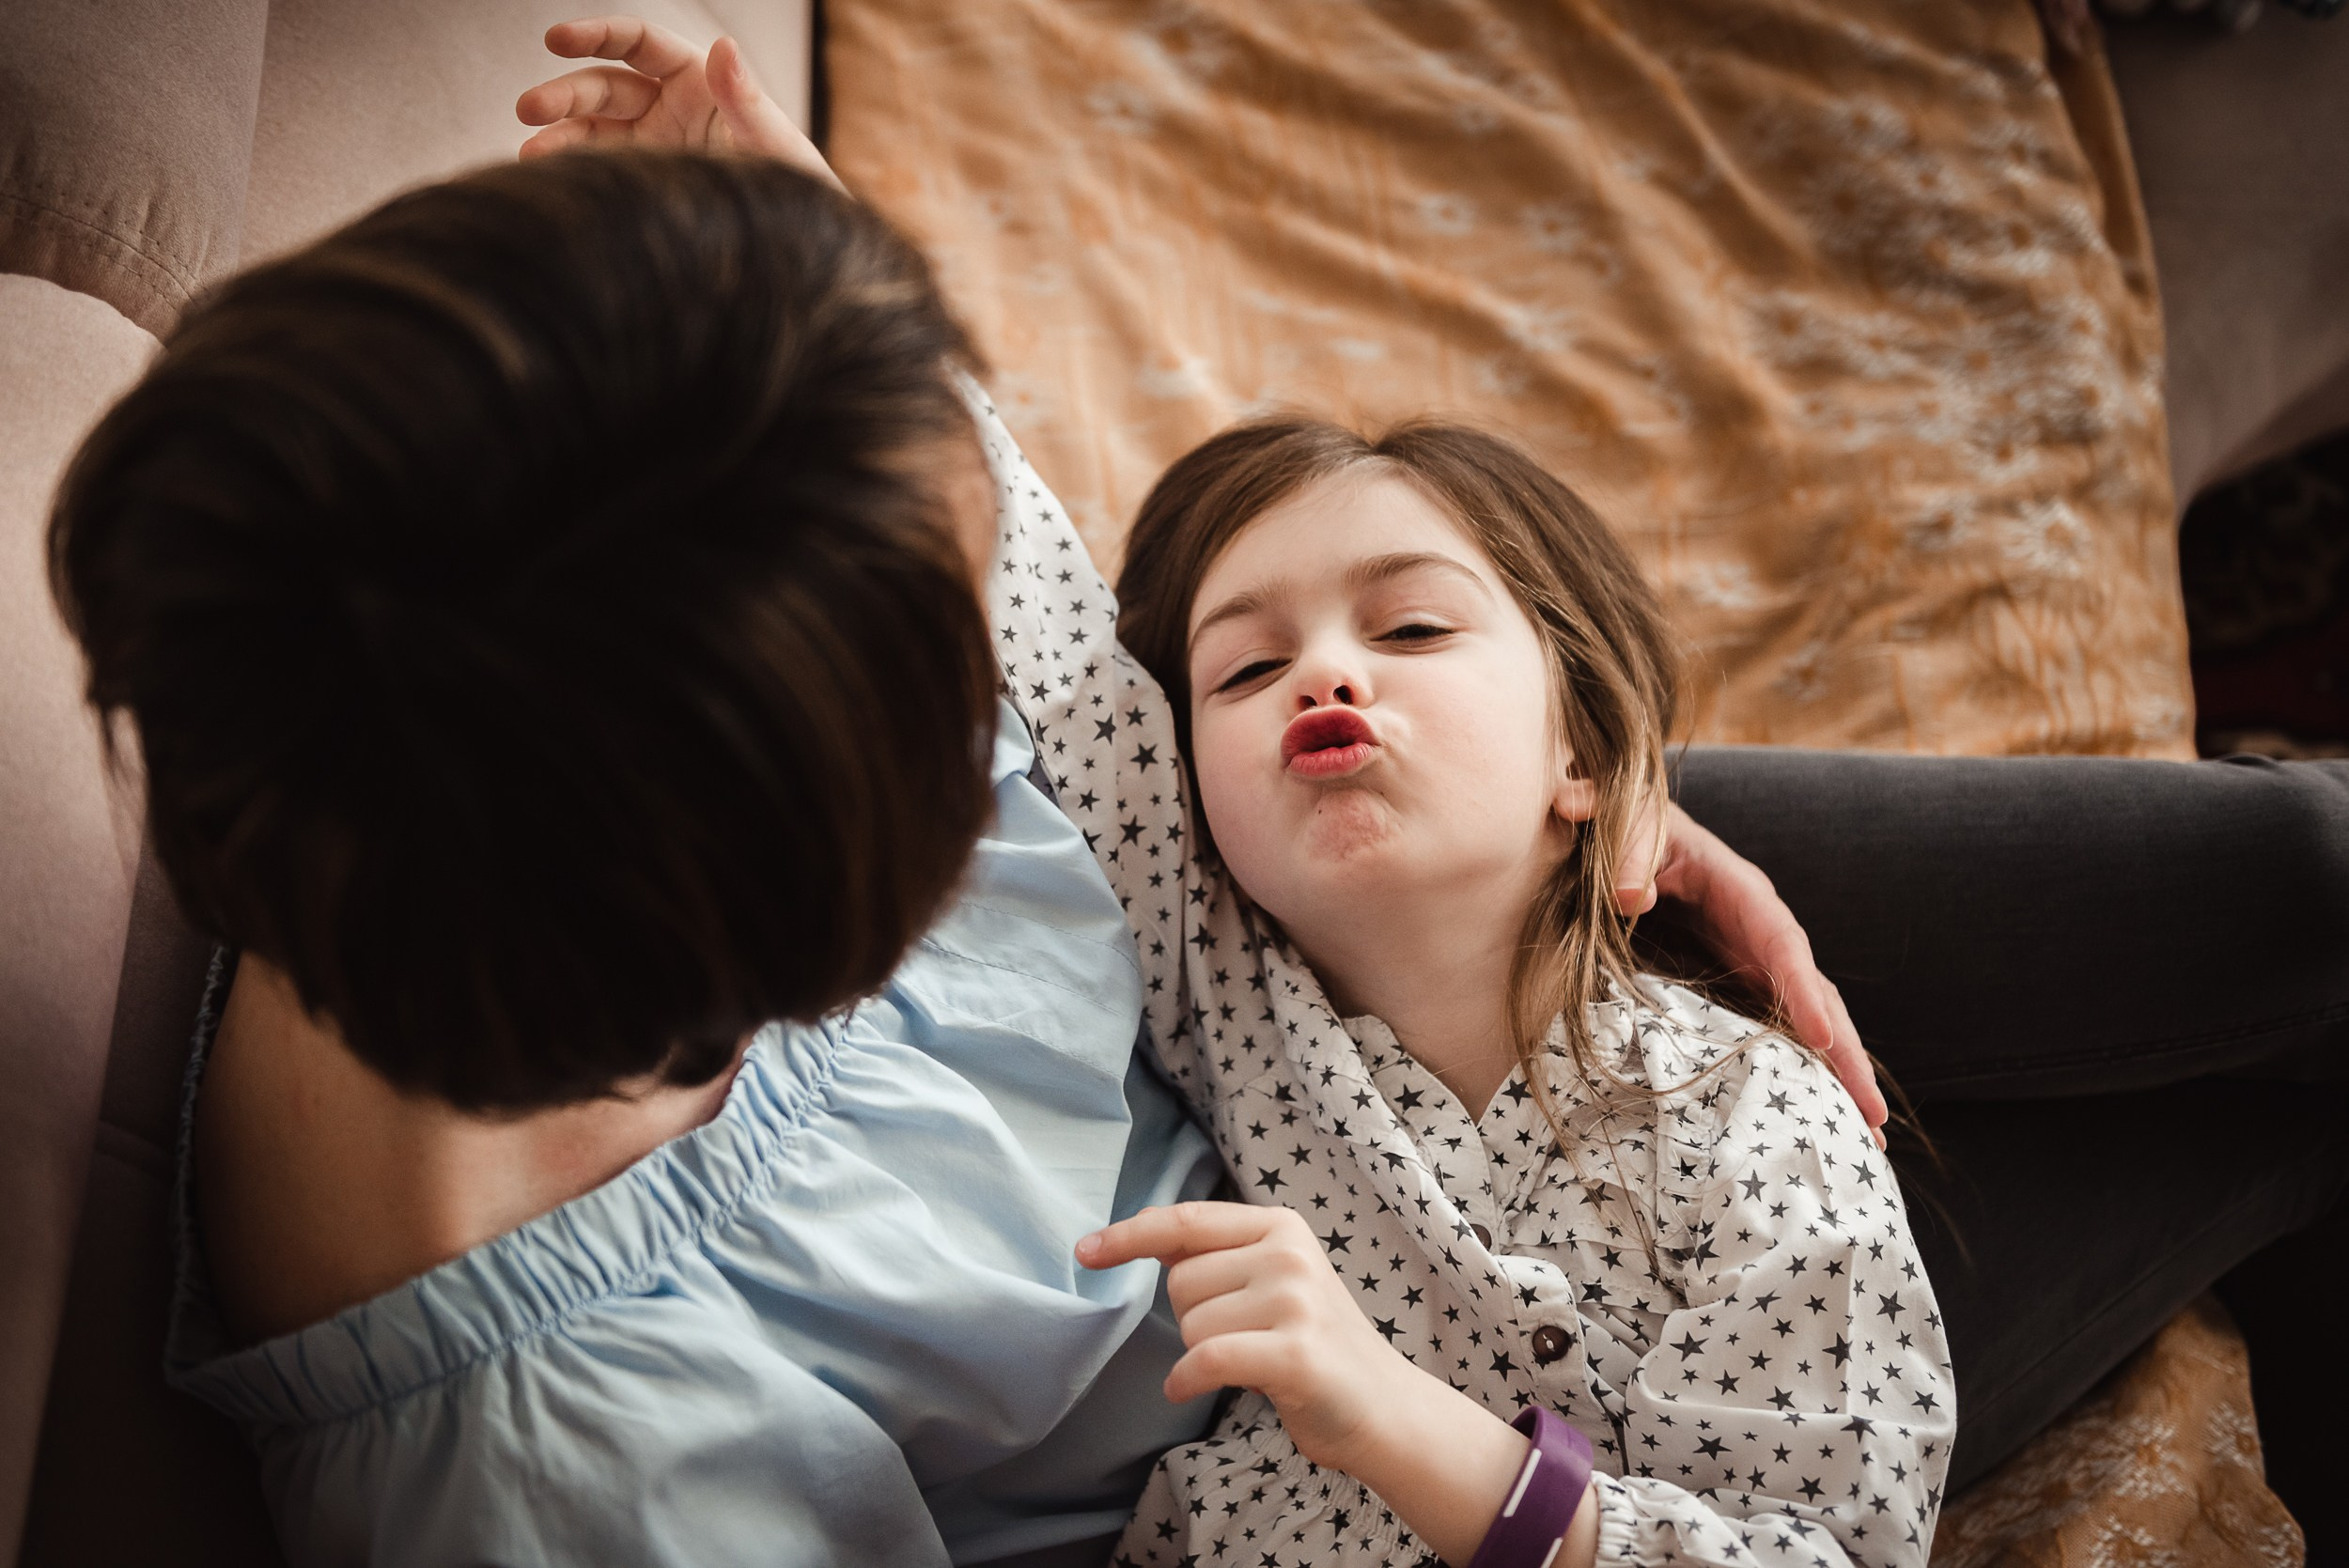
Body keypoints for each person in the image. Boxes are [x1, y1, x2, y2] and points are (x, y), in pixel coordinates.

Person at [44, 34, 1872, 1568]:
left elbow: (1065, 666)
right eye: (961, 689)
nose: (1046, 687)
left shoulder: (535, 671)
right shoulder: (594, 1490)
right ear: (834, 919)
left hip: (1438, 994)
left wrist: (1552, 784)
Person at [1072, 418, 1951, 1567]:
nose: (1323, 674)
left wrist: (1403, 1425)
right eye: (1245, 668)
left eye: (1414, 627)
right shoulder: (1211, 990)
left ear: (1583, 759)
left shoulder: (1754, 1121)